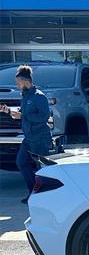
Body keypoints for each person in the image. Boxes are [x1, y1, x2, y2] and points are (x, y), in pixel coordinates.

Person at [0, 65, 52, 203]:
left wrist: (23, 116)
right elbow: (23, 115)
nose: (17, 86)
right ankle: (33, 192)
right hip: (29, 138)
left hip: (40, 137)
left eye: (18, 83)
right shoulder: (25, 96)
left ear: (25, 81)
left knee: (43, 168)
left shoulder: (39, 96)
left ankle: (46, 195)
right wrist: (9, 112)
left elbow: (44, 116)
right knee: (21, 162)